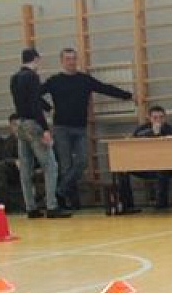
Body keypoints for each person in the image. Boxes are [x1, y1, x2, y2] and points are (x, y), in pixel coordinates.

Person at [42, 47, 133, 210]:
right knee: (65, 166)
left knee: (82, 161)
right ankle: (67, 202)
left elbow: (104, 88)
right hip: (61, 127)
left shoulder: (84, 80)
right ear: (62, 61)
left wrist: (128, 95)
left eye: (73, 58)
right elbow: (35, 95)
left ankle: (59, 191)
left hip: (80, 127)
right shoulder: (54, 81)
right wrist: (48, 108)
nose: (71, 62)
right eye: (68, 59)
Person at [10, 48, 69, 219]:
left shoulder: (15, 78)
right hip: (33, 124)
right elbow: (35, 103)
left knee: (25, 168)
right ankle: (52, 206)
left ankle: (30, 207)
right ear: (36, 59)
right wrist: (45, 129)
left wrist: (48, 107)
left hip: (20, 123)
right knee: (50, 165)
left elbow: (26, 100)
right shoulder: (32, 77)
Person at [117, 105, 172, 211]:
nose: (158, 120)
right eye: (155, 118)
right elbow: (134, 141)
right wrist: (152, 133)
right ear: (149, 118)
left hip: (166, 165)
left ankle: (161, 205)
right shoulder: (142, 129)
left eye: (161, 117)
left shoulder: (171, 129)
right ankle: (128, 205)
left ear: (165, 118)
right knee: (122, 170)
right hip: (144, 165)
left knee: (163, 170)